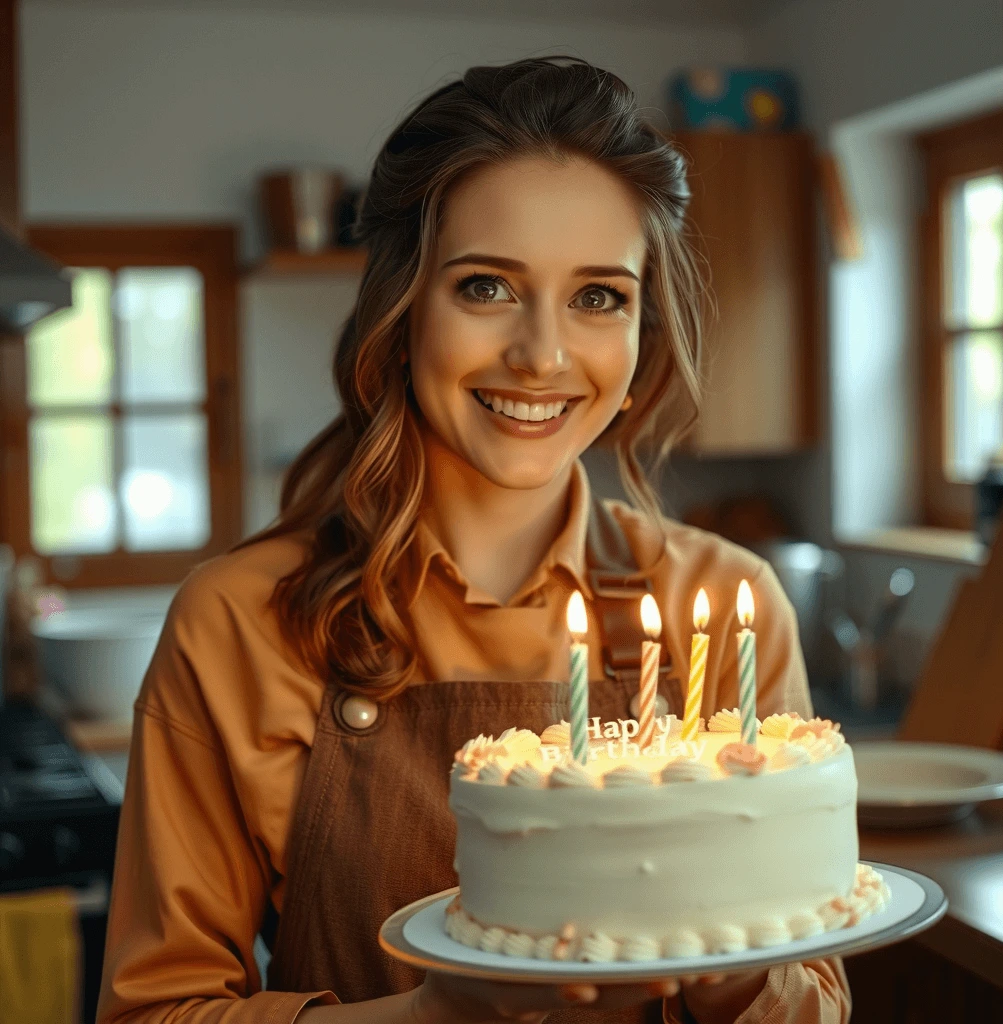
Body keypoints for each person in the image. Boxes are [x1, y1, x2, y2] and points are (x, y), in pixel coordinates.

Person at [96, 56, 851, 1024]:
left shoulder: (721, 602)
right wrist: (431, 1015)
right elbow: (154, 1012)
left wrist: (727, 953)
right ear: (400, 305)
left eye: (597, 296)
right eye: (487, 286)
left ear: (641, 331)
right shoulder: (241, 620)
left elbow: (821, 1000)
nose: (542, 353)